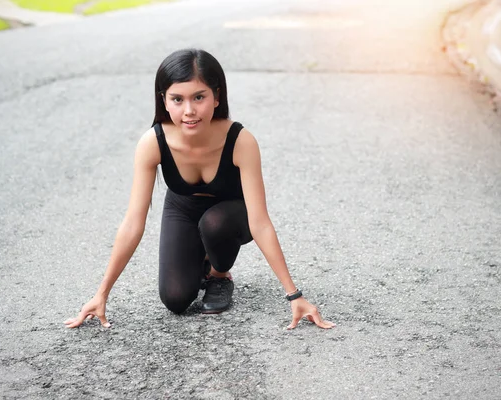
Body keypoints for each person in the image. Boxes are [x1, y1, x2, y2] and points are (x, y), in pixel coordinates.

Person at [64, 48, 335, 330]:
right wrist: (101, 294)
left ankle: (219, 274)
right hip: (182, 208)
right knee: (176, 299)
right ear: (164, 101)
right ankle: (202, 259)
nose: (189, 110)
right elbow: (133, 222)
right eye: (177, 99)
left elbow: (260, 223)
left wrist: (294, 295)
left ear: (217, 97)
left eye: (199, 97)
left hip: (231, 215)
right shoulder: (153, 143)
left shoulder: (241, 141)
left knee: (214, 223)